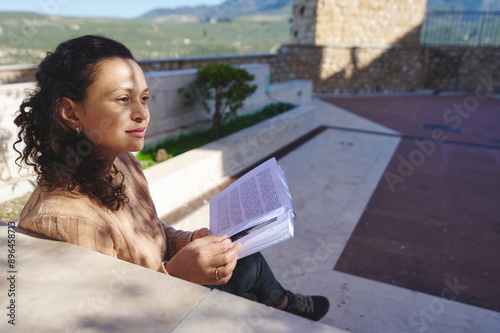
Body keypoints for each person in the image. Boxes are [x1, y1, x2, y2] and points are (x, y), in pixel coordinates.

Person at [14, 35, 329, 321]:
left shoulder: (121, 161)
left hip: (167, 292)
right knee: (247, 300)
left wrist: (189, 241)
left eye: (145, 98)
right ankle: (282, 306)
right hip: (157, 312)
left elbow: (152, 229)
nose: (142, 114)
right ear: (71, 112)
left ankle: (284, 302)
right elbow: (104, 317)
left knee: (246, 259)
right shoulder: (68, 220)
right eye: (123, 99)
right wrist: (177, 274)